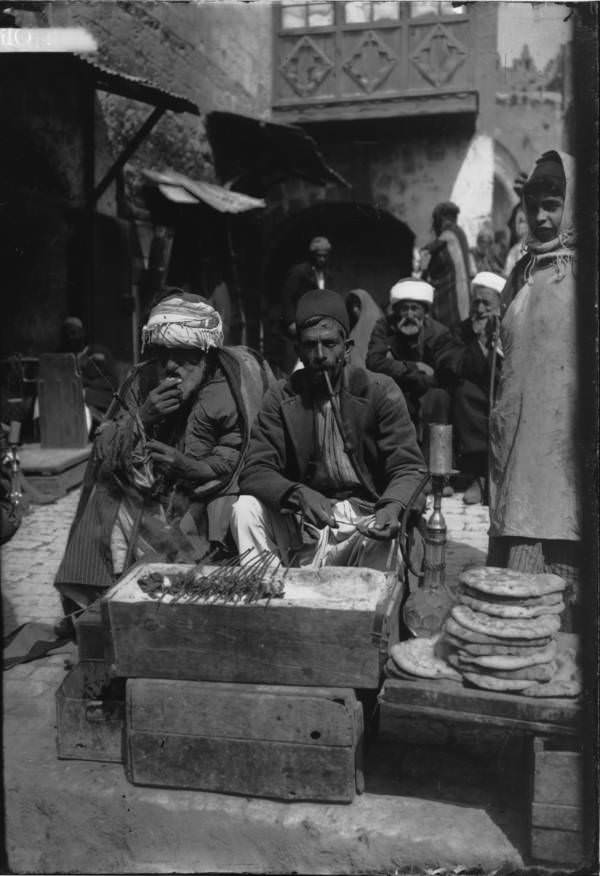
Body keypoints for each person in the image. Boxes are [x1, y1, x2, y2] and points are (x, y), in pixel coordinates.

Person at [54, 291, 274, 625]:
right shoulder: (143, 381)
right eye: (162, 355)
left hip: (209, 498)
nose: (170, 366)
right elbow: (104, 447)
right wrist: (143, 416)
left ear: (207, 355)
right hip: (153, 499)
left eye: (183, 356)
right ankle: (103, 612)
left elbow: (239, 453)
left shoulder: (232, 388)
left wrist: (192, 468)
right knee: (105, 499)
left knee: (229, 516)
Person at [231, 289, 427, 570]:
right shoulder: (282, 396)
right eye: (310, 345)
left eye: (330, 343)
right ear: (298, 349)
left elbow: (409, 468)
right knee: (245, 509)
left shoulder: (380, 391)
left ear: (346, 348)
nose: (320, 355)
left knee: (387, 542)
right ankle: (268, 592)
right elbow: (255, 469)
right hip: (305, 520)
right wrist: (297, 493)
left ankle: (365, 608)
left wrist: (392, 507)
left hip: (366, 516)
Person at [487, 150, 580, 629]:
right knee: (512, 601)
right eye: (533, 207)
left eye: (554, 204)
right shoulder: (522, 272)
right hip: (520, 443)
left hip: (567, 449)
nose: (541, 218)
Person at [437, 271, 505, 505]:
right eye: (476, 302)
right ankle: (479, 476)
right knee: (465, 393)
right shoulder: (464, 330)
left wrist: (495, 346)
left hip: (505, 392)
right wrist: (479, 344)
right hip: (473, 394)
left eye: (487, 303)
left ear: (500, 304)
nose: (480, 308)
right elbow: (451, 361)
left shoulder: (510, 327)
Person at [365, 279, 454, 444]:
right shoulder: (384, 326)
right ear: (396, 311)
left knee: (440, 398)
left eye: (415, 308)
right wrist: (415, 367)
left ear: (425, 311)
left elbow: (444, 372)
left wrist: (418, 377)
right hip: (396, 385)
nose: (409, 315)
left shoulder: (439, 333)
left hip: (428, 389)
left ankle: (434, 455)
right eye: (404, 308)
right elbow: (373, 361)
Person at [58, 316, 120, 428]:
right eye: (66, 334)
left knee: (79, 395)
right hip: (70, 399)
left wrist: (84, 383)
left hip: (103, 397)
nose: (70, 337)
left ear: (82, 333)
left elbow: (113, 383)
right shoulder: (61, 356)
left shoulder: (99, 352)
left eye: (73, 332)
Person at [422, 201, 472, 329]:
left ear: (441, 218)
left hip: (452, 300)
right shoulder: (460, 234)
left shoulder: (449, 235)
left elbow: (428, 253)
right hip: (465, 299)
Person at [281, 236, 335, 338]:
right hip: (301, 323)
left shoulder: (327, 275)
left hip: (319, 325)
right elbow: (287, 298)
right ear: (313, 255)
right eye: (319, 256)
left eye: (325, 256)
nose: (322, 259)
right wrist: (291, 322)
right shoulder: (299, 272)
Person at [345, 288, 383, 370]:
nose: (355, 310)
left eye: (358, 306)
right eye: (352, 306)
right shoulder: (353, 325)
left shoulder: (377, 323)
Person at [503, 203, 529, 278]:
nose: (518, 226)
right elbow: (507, 274)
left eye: (522, 221)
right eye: (517, 222)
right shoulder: (515, 250)